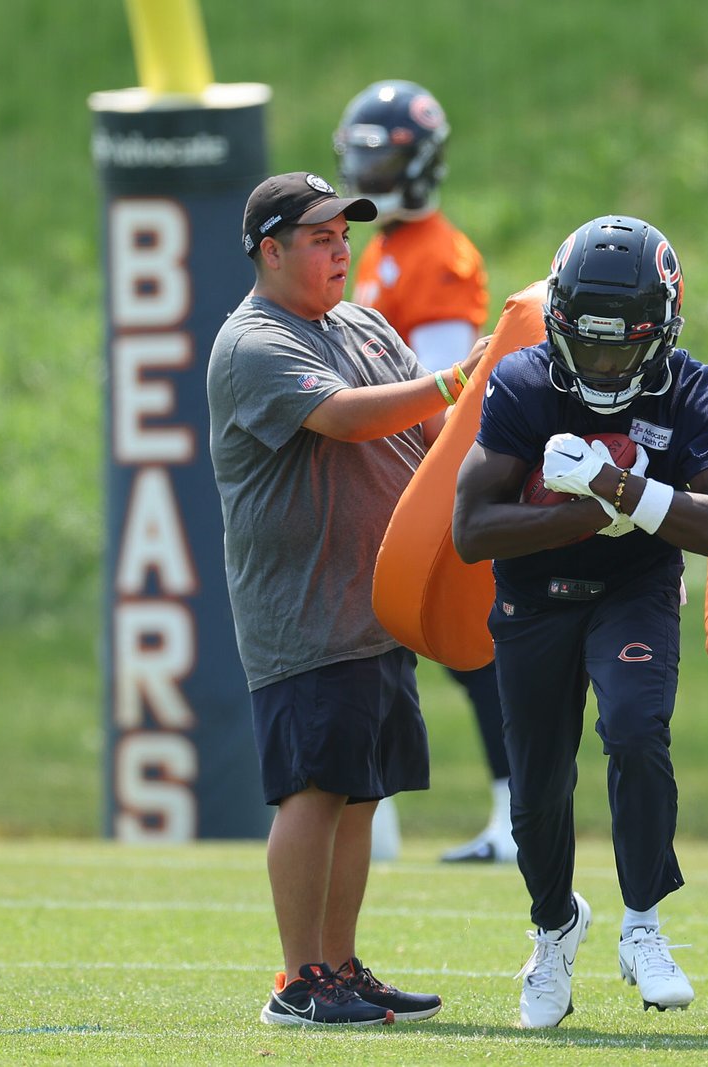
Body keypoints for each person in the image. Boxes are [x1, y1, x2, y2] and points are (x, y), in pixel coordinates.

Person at [453, 215, 708, 1028]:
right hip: (535, 594)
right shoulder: (520, 382)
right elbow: (470, 528)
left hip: (634, 590)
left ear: (660, 335)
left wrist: (624, 494)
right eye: (587, 346)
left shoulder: (698, 394)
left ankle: (645, 924)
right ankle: (554, 926)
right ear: (558, 325)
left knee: (634, 727)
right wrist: (590, 513)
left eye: (621, 349)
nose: (601, 365)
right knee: (536, 790)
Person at [207, 170, 484, 1026]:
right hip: (304, 612)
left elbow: (433, 441)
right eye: (322, 237)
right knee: (313, 792)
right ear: (272, 249)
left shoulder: (363, 322)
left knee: (360, 791)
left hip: (377, 606)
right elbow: (349, 418)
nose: (341, 249)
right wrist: (451, 379)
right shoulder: (253, 341)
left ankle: (339, 964)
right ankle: (298, 981)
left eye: (344, 234)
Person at [333, 79, 515, 865]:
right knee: (387, 650)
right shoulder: (379, 248)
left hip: (423, 474)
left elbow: (445, 387)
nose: (371, 174)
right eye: (363, 157)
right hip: (384, 470)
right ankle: (375, 825)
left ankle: (514, 817)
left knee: (473, 649)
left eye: (387, 158)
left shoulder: (439, 254)